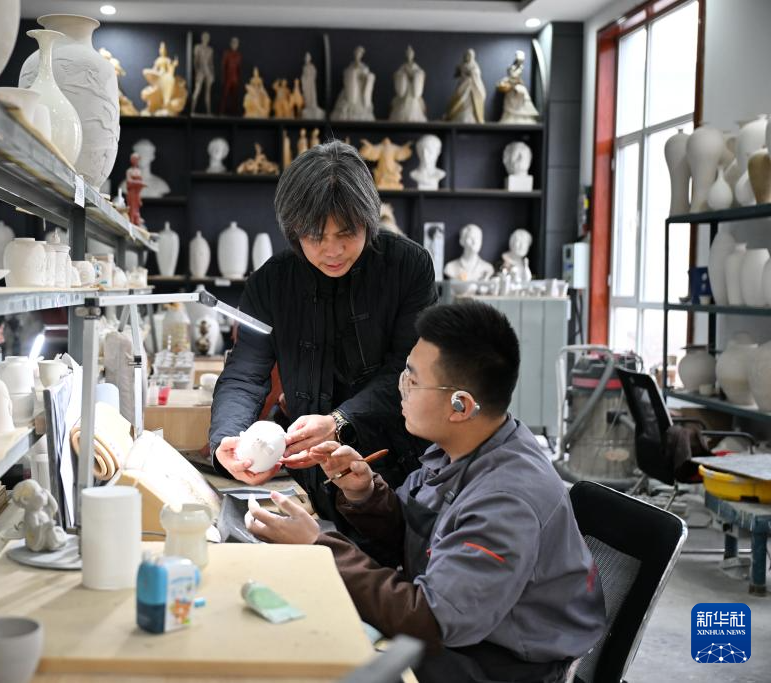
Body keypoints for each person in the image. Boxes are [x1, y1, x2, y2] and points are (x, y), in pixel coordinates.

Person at [247, 302, 606, 682]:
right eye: (405, 373)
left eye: (413, 381)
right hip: (465, 632)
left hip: (500, 665)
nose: (401, 388)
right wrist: (367, 494)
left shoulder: (507, 501)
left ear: (461, 405)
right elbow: (424, 534)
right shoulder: (467, 447)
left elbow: (431, 620)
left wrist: (320, 548)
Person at [209, 140, 437, 552]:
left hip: (395, 470)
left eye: (346, 233)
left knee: (385, 574)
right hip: (307, 480)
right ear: (294, 229)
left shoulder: (408, 267)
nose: (332, 250)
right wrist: (226, 442)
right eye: (315, 236)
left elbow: (407, 373)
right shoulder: (271, 283)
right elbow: (244, 375)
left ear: (369, 220)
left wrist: (339, 420)